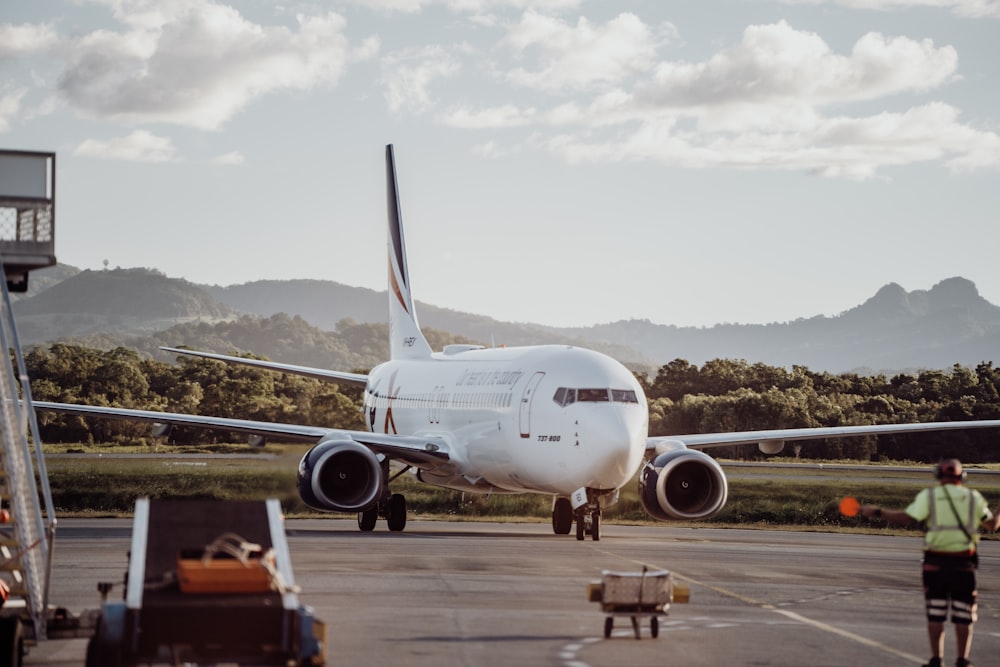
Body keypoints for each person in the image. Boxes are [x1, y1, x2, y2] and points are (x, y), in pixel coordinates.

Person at [860, 458, 1000, 667]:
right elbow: (993, 525)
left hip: (935, 563)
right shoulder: (973, 498)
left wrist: (879, 512)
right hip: (964, 564)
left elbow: (906, 518)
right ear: (961, 476)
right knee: (964, 615)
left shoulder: (930, 496)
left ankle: (936, 659)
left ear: (938, 475)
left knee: (936, 613)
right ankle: (962, 660)